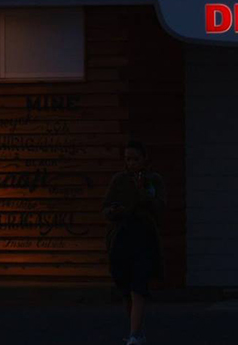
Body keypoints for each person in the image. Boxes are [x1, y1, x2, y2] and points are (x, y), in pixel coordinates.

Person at [103, 140, 166, 345]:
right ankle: (134, 329)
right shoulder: (119, 180)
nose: (131, 163)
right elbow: (106, 207)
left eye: (135, 159)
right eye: (128, 159)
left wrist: (143, 192)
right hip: (122, 238)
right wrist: (114, 211)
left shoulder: (153, 180)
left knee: (138, 286)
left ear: (145, 159)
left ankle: (135, 334)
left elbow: (159, 208)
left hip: (144, 238)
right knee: (125, 288)